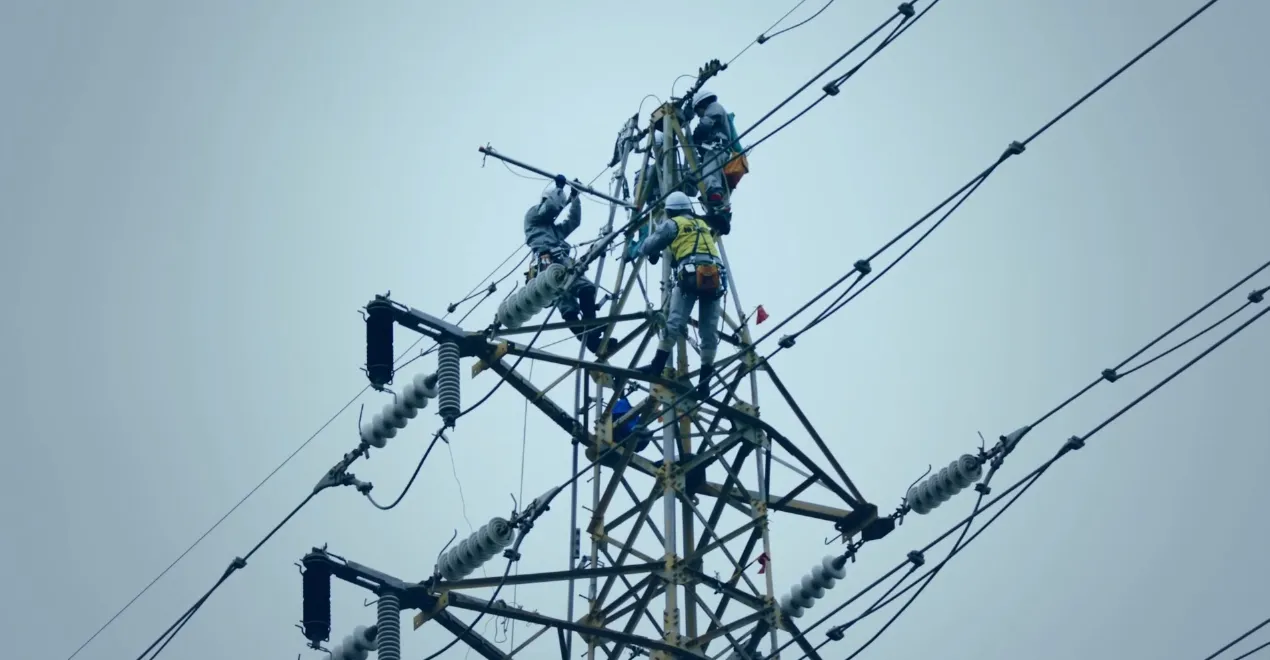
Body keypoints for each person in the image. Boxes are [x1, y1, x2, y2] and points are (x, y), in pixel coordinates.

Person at [629, 191, 726, 399]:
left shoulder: (673, 224)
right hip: (714, 276)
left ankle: (656, 367)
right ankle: (705, 383)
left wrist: (638, 247)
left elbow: (649, 246)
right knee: (709, 332)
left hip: (690, 276)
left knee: (673, 323)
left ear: (670, 211)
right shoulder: (702, 225)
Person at [524, 175, 603, 355]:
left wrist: (574, 199)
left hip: (559, 260)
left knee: (583, 292)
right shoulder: (532, 216)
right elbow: (551, 208)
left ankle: (591, 340)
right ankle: (591, 333)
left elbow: (573, 222)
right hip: (547, 262)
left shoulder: (553, 230)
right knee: (571, 300)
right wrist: (559, 188)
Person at [688, 88, 734, 233]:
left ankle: (715, 198)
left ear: (702, 105)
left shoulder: (714, 107)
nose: (698, 115)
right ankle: (717, 213)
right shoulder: (713, 110)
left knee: (709, 174)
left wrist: (696, 135)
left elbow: (705, 125)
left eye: (697, 112)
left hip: (717, 149)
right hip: (714, 150)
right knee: (700, 176)